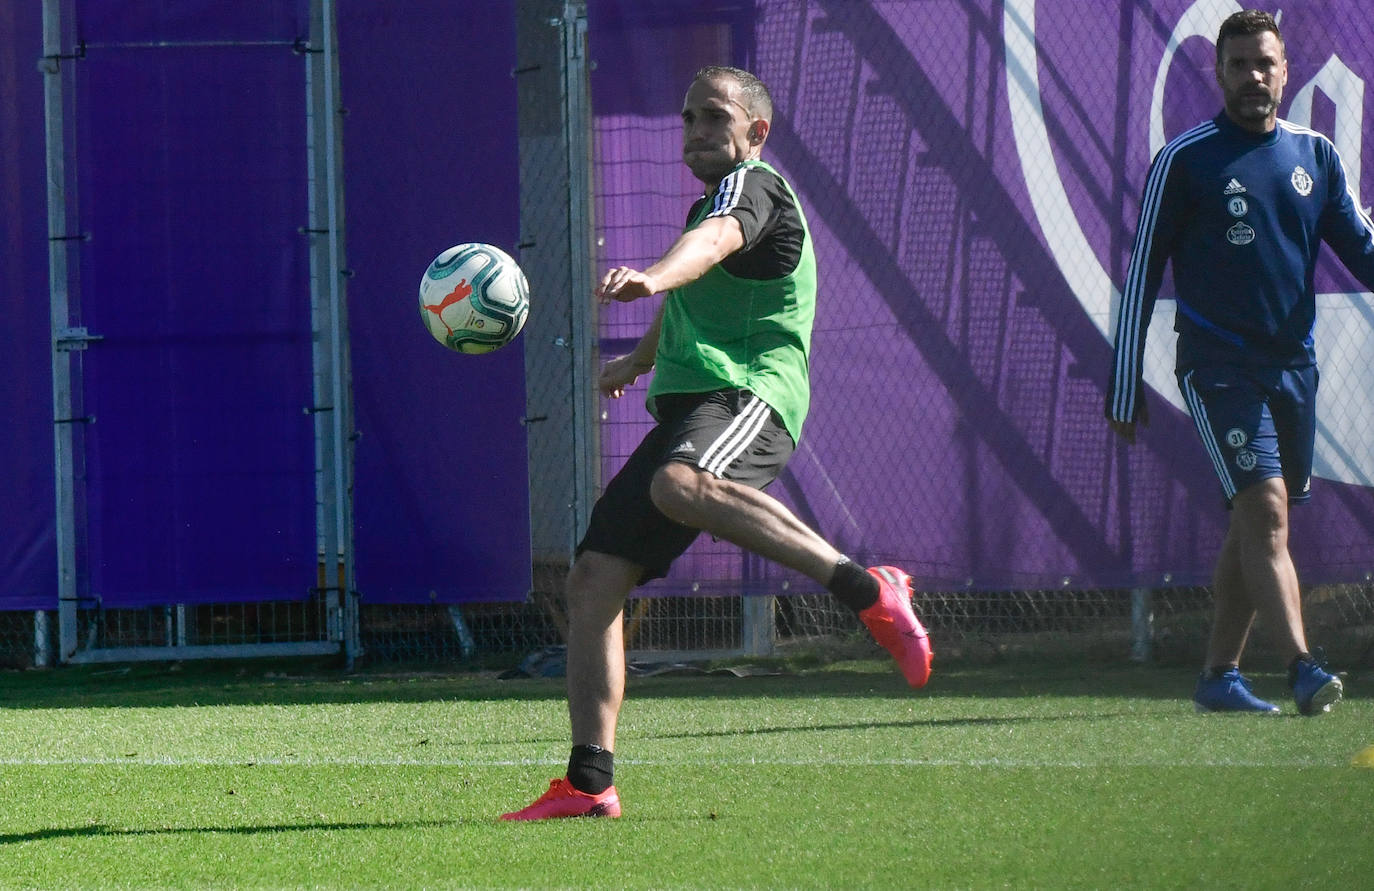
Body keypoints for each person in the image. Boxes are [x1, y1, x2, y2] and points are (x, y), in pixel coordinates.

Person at [502, 66, 933, 820]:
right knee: (594, 575)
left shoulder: (752, 188)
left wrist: (653, 275)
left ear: (754, 132)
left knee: (679, 483)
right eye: (688, 118)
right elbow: (703, 279)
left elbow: (710, 245)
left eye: (713, 118)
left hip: (752, 393)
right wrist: (637, 360)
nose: (696, 132)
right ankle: (590, 781)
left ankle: (869, 590)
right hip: (698, 405)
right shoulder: (716, 197)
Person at [1107, 10, 1366, 715]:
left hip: (1295, 368)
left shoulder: (1316, 157)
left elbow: (1363, 249)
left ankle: (1219, 674)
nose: (1253, 76)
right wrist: (1125, 382)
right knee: (1268, 511)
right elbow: (1142, 276)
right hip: (1218, 368)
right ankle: (1304, 667)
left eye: (1265, 64)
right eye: (1239, 65)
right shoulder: (1185, 160)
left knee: (1254, 527)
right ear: (1216, 74)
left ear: (1285, 72)